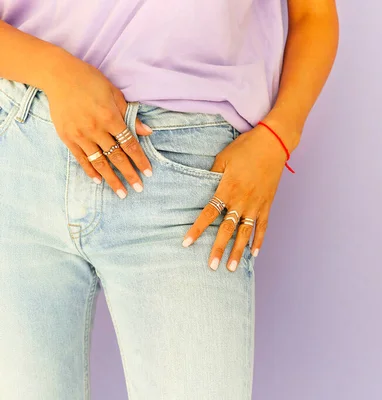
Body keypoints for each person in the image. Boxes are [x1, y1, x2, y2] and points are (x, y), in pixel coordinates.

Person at [0, 0, 338, 398]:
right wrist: (56, 72)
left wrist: (278, 137)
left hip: (190, 177)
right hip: (23, 146)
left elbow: (313, 15)